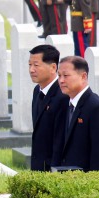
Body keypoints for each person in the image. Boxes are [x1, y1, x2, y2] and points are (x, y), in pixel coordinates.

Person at [52, 56, 99, 172]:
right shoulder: (66, 105)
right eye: (59, 76)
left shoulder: (97, 108)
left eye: (66, 75)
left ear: (83, 76)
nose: (61, 80)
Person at [28, 44, 67, 172]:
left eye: (36, 65)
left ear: (53, 67)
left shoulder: (62, 96)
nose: (31, 70)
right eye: (30, 65)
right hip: (38, 166)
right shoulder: (37, 90)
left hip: (52, 169)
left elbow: (60, 139)